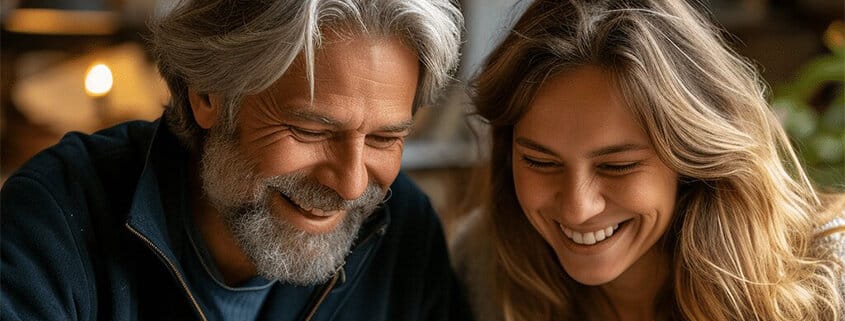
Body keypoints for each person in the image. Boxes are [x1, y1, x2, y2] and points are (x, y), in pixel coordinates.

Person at [1, 0, 470, 320]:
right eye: (310, 130)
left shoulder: (402, 228)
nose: (350, 186)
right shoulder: (52, 220)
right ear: (207, 94)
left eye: (385, 139)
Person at [450, 0, 845, 320]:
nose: (578, 207)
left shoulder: (832, 272)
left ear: (692, 157)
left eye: (617, 166)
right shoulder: (484, 266)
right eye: (540, 161)